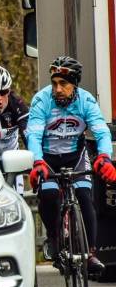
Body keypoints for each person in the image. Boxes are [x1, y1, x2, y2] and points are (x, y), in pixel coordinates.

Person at [26, 56, 116, 275]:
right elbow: (33, 135)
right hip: (47, 158)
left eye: (63, 84)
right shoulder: (41, 100)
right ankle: (55, 240)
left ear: (74, 84)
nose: (57, 89)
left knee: (85, 197)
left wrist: (104, 156)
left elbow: (101, 131)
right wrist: (37, 162)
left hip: (75, 155)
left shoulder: (86, 101)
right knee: (49, 197)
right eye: (54, 83)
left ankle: (90, 253)